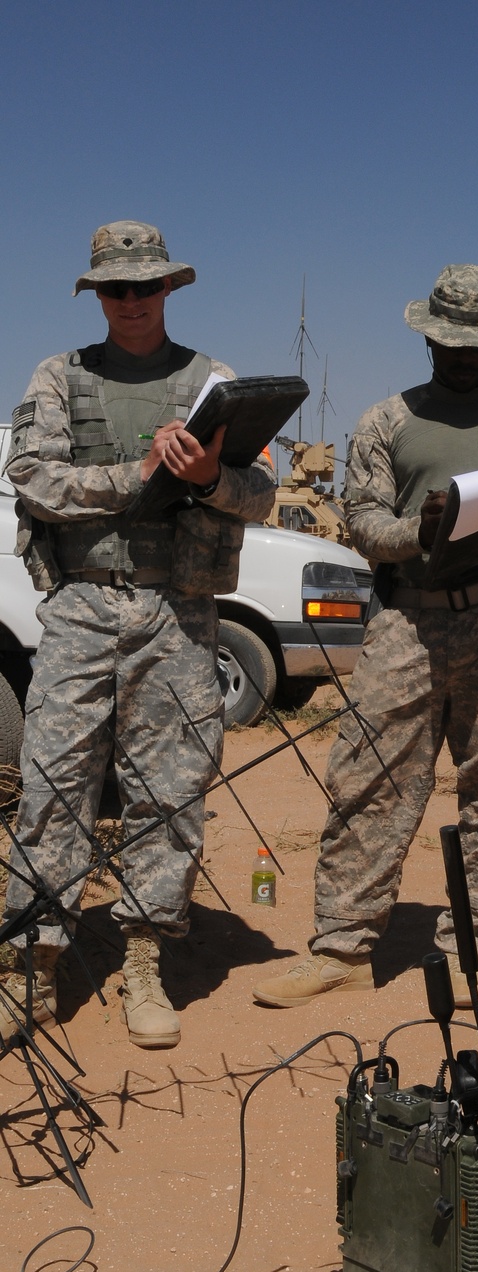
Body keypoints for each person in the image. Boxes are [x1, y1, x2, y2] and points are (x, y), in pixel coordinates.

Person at [254, 263, 478, 1008]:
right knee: (370, 778)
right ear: (428, 337)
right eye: (450, 342)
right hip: (407, 620)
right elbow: (366, 523)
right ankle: (341, 947)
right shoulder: (386, 421)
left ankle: (474, 949)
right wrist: (421, 529)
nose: (464, 355)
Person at [1, 221, 275, 1050]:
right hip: (83, 607)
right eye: (114, 290)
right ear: (98, 296)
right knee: (53, 784)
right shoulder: (60, 376)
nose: (130, 303)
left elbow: (260, 494)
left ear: (168, 290)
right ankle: (32, 966)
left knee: (171, 790)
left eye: (143, 287)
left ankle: (144, 959)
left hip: (179, 612)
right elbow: (34, 479)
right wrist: (143, 476)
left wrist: (209, 478)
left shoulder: (210, 382)